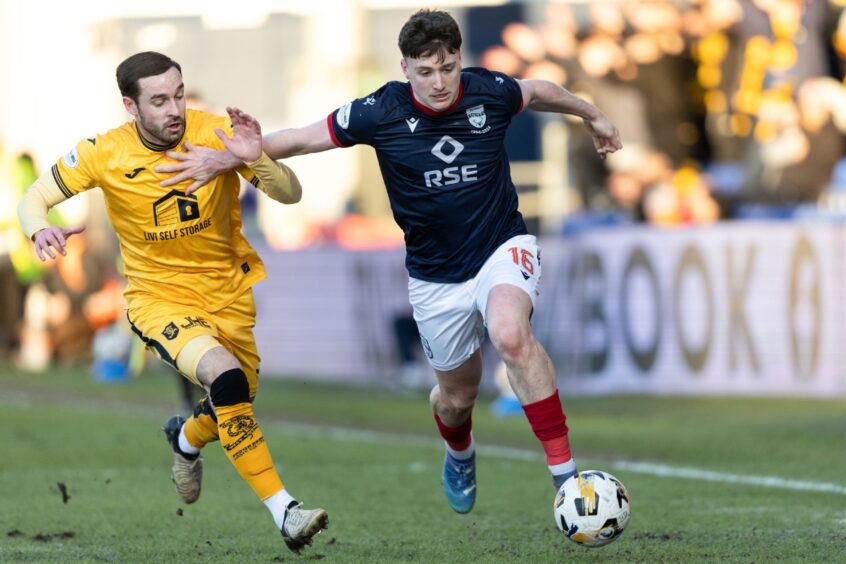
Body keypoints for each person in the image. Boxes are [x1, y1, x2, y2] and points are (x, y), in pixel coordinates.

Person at [159, 9, 622, 515]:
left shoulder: (490, 90)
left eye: (447, 68)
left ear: (459, 59)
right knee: (456, 397)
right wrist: (233, 155)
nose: (440, 83)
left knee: (510, 333)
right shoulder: (379, 110)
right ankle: (459, 451)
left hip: (500, 246)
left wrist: (590, 112)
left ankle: (567, 481)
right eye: (425, 72)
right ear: (405, 67)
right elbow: (299, 139)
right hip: (434, 276)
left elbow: (536, 90)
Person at [16, 51, 328, 554]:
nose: (174, 109)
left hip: (229, 294)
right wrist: (39, 228)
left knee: (236, 402)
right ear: (130, 106)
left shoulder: (215, 133)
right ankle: (286, 511)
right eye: (159, 100)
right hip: (158, 299)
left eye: (178, 94)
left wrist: (253, 156)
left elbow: (289, 194)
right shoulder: (102, 152)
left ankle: (186, 439)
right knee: (225, 379)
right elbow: (33, 197)